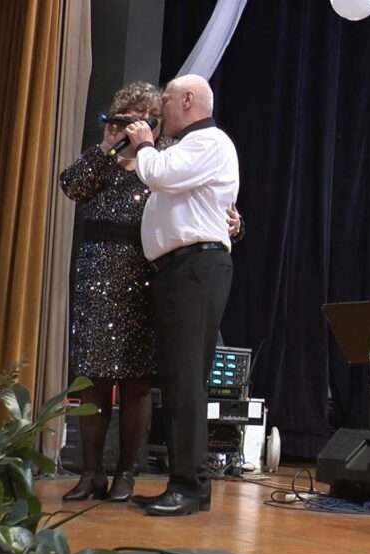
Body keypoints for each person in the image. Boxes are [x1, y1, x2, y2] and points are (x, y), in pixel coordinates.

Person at [59, 81, 241, 504]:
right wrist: (108, 146)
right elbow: (72, 185)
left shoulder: (173, 154)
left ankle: (152, 478)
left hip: (152, 278)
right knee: (107, 379)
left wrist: (233, 223)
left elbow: (199, 203)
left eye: (150, 117)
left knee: (160, 381)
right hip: (112, 277)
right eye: (128, 119)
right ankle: (94, 472)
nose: (139, 125)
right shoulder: (128, 161)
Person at [124, 74, 237, 516]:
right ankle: (187, 482)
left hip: (195, 269)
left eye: (167, 100)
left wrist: (144, 144)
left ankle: (189, 486)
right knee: (177, 379)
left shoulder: (209, 141)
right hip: (181, 270)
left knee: (186, 379)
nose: (161, 109)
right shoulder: (191, 147)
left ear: (188, 99)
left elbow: (158, 174)